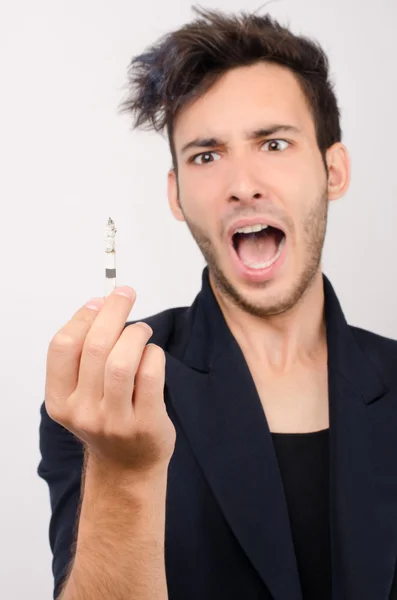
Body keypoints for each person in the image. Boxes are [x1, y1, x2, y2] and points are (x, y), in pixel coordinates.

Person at [37, 7, 397, 600]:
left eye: (274, 143)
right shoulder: (111, 393)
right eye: (207, 156)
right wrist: (125, 477)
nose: (242, 183)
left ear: (333, 170)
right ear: (176, 194)